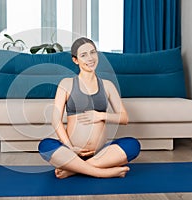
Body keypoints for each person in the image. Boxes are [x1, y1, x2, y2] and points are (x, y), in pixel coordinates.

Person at [38, 37, 140, 179]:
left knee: (133, 145)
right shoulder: (66, 84)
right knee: (45, 146)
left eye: (93, 52)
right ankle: (101, 172)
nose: (90, 58)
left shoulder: (107, 85)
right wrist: (69, 147)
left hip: (100, 153)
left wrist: (101, 116)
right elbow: (56, 120)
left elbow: (124, 118)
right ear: (75, 60)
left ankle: (73, 169)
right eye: (83, 55)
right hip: (71, 151)